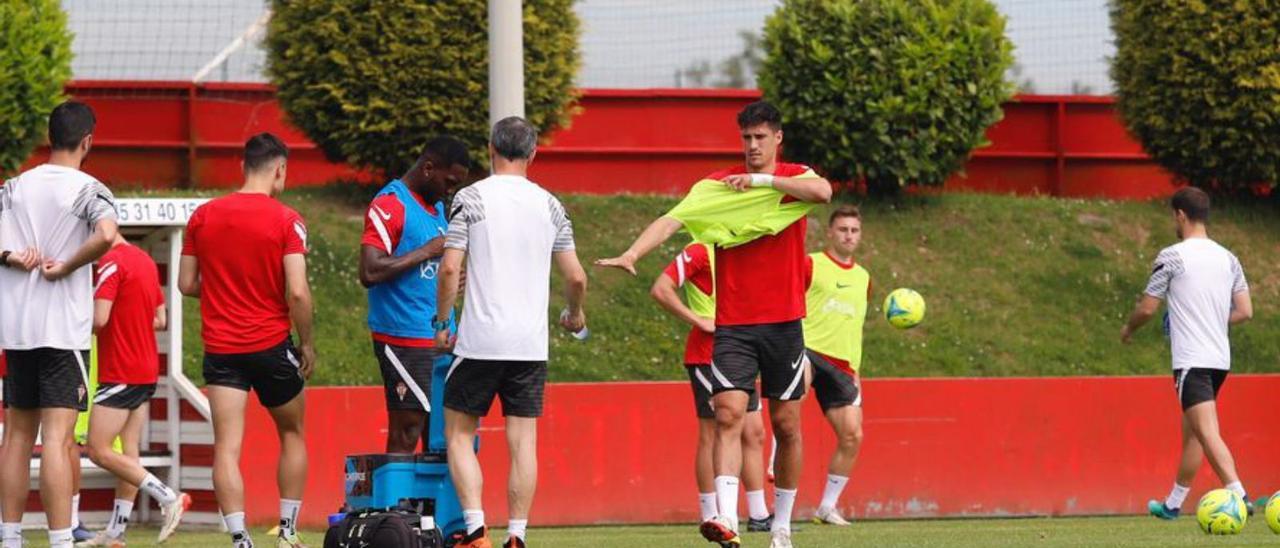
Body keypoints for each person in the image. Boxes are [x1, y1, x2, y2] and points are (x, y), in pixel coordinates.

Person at [598, 100, 832, 548]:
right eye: (746, 138)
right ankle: (726, 520)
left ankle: (780, 526)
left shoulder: (794, 178)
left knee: (785, 426)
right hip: (734, 326)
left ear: (777, 138)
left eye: (761, 137)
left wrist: (762, 180)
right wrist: (632, 254)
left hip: (784, 323)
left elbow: (823, 193)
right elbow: (672, 220)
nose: (752, 146)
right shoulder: (717, 186)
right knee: (727, 415)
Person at [434, 116, 588, 548]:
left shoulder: (470, 197)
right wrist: (574, 314)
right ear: (533, 152)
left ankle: (477, 530)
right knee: (524, 443)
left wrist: (443, 323)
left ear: (490, 148)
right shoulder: (551, 205)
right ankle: (517, 535)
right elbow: (576, 277)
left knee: (460, 435)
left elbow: (450, 267)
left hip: (480, 340)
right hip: (529, 345)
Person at [179, 133, 315, 548]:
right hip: (272, 344)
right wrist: (306, 344)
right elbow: (297, 291)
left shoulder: (203, 216)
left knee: (227, 446)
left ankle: (240, 538)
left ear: (243, 167)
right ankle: (288, 532)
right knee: (291, 433)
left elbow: (187, 283)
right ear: (280, 170)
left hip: (222, 350)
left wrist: (224, 290)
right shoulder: (286, 219)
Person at [0, 101, 119, 548]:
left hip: (16, 330)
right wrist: (67, 266)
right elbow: (106, 234)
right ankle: (60, 540)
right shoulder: (90, 188)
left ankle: (9, 537)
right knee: (56, 437)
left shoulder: (13, 187)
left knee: (15, 436)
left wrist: (10, 257)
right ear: (87, 141)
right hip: (61, 332)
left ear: (48, 138)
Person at [1120, 187, 1259, 520]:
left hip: (1191, 361)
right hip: (1218, 360)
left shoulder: (1172, 256)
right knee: (1195, 432)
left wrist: (1128, 329)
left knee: (1207, 432)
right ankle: (1173, 504)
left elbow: (1149, 308)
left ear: (1180, 214)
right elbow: (1245, 311)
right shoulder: (1229, 258)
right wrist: (1211, 318)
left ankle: (1239, 494)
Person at [649, 242, 773, 534]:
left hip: (742, 351)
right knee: (713, 432)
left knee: (754, 432)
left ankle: (758, 514)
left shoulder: (744, 247)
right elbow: (661, 288)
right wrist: (698, 320)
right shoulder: (699, 250)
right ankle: (711, 512)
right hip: (707, 354)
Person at [77, 232, 191, 546]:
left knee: (98, 450)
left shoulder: (111, 263)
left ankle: (168, 497)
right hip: (145, 370)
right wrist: (130, 320)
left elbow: (100, 318)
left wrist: (63, 321)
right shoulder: (144, 260)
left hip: (120, 371)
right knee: (129, 454)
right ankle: (115, 534)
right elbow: (160, 318)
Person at [359, 136, 471, 454]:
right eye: (449, 181)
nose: (450, 190)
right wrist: (426, 252)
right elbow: (369, 271)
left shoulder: (436, 207)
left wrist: (450, 282)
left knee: (440, 436)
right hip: (403, 337)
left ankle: (430, 505)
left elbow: (434, 266)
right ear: (428, 168)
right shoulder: (390, 204)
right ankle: (395, 503)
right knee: (407, 429)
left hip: (441, 337)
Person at [800, 206, 870, 526]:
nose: (849, 236)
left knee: (852, 435)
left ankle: (827, 507)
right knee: (794, 394)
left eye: (854, 230)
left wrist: (856, 370)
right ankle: (775, 458)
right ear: (830, 232)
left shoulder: (863, 278)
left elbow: (855, 325)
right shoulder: (811, 263)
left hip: (842, 363)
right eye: (843, 229)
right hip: (807, 349)